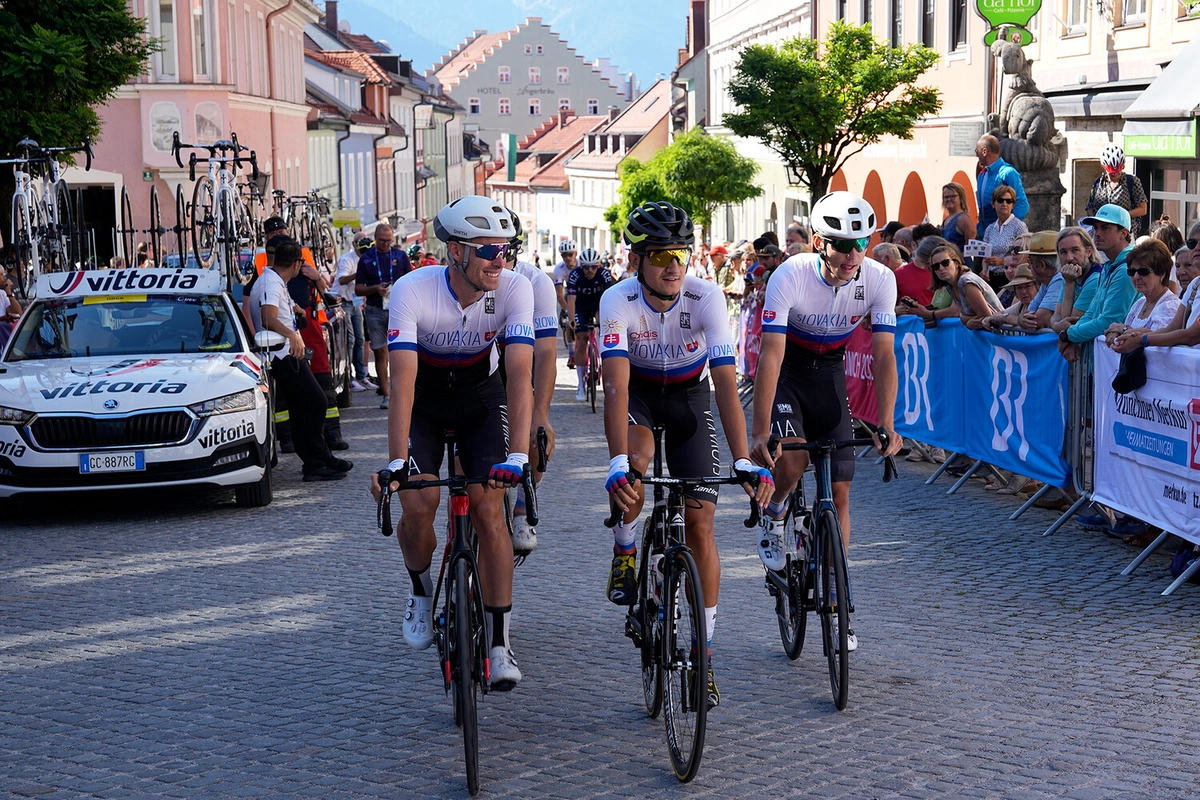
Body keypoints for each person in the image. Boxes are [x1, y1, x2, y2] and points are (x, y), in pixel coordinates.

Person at [601, 201, 772, 708]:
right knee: (636, 462)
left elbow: (724, 383)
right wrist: (614, 463)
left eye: (680, 252)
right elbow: (613, 387)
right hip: (636, 393)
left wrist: (741, 458)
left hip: (689, 396)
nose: (673, 264)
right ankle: (626, 547)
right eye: (659, 254)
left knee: (701, 523)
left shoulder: (706, 297)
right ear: (637, 260)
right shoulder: (618, 300)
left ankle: (704, 654)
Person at [373, 195, 534, 690]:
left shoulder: (514, 289)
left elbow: (519, 376)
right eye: (488, 251)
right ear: (456, 253)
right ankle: (421, 590)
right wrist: (397, 462)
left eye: (505, 250)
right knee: (420, 503)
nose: (499, 261)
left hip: (479, 399)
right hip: (423, 399)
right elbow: (401, 381)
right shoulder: (411, 290)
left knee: (489, 508)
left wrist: (520, 456)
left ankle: (501, 643)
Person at [749, 193, 903, 653]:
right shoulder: (789, 275)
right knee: (792, 462)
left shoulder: (878, 278)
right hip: (790, 374)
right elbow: (770, 354)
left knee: (839, 490)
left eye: (861, 243)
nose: (853, 253)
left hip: (830, 376)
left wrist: (887, 423)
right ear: (818, 242)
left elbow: (883, 354)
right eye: (841, 244)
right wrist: (760, 433)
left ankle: (837, 601)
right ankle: (774, 516)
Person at [249, 238, 352, 482]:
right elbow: (267, 316)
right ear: (296, 264)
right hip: (283, 355)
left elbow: (275, 309)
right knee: (316, 403)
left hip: (286, 353)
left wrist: (295, 310)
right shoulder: (271, 283)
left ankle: (317, 459)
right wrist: (292, 335)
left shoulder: (272, 280)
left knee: (301, 408)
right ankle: (317, 459)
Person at [502, 209, 558, 557]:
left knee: (537, 441)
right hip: (479, 372)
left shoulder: (536, 282)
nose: (498, 259)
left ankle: (523, 507)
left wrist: (541, 413)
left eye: (506, 251)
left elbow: (547, 354)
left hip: (523, 368)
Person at [1060, 204, 1138, 362]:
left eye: (1105, 228)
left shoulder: (1126, 268)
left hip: (1119, 361)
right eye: (1096, 228)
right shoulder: (1110, 266)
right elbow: (1092, 312)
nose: (1097, 233)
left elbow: (1108, 321)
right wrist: (1071, 336)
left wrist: (1068, 335)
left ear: (1123, 233)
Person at [355, 224, 411, 410]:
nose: (386, 244)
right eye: (382, 241)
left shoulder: (400, 256)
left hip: (399, 310)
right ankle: (386, 395)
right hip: (375, 309)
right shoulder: (366, 259)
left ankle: (403, 390)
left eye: (389, 241)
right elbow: (358, 288)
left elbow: (412, 280)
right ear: (375, 239)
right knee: (380, 351)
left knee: (402, 351)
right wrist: (376, 289)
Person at [1113, 239, 1200, 351]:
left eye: (1143, 271)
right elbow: (1169, 330)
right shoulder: (1139, 303)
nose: (1136, 277)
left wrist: (1129, 333)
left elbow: (1188, 336)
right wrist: (1117, 333)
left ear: (1161, 274)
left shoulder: (1169, 305)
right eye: (1131, 272)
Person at [566, 247, 617, 401]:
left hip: (598, 304)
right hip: (580, 307)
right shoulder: (575, 275)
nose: (589, 271)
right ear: (581, 266)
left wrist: (608, 320)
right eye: (586, 267)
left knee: (604, 328)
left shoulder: (604, 275)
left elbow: (609, 297)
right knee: (581, 340)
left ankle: (602, 362)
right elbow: (571, 300)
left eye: (593, 267)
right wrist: (570, 319)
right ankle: (581, 385)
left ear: (598, 266)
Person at [929, 243, 1003, 329]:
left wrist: (966, 321)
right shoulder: (950, 286)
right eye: (936, 266)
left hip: (1001, 334)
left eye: (945, 263)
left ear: (956, 263)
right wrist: (966, 320)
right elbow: (964, 318)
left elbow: (988, 319)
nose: (941, 268)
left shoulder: (966, 281)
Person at [335, 234, 372, 392]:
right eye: (359, 243)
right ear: (354, 244)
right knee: (349, 340)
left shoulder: (367, 258)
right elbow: (341, 280)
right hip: (343, 301)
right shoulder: (347, 259)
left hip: (356, 302)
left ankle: (361, 376)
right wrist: (360, 274)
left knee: (360, 338)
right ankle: (349, 378)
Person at [1050, 226, 1103, 335]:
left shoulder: (1095, 278)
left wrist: (1069, 284)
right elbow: (1056, 316)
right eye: (1063, 252)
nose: (1069, 258)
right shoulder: (1070, 276)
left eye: (1075, 250)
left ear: (1088, 251)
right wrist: (1056, 326)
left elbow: (1069, 322)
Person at [1085, 145, 1148, 237]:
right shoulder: (1098, 183)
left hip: (1124, 233)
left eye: (1117, 171)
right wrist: (1096, 220)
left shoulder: (1132, 182)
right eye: (1111, 172)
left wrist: (1119, 216)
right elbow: (1090, 206)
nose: (1114, 174)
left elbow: (1143, 209)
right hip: (1101, 233)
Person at [975, 134, 1029, 236]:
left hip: (1003, 235)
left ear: (984, 152)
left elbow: (1022, 204)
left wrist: (1007, 228)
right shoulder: (982, 175)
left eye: (976, 151)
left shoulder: (1008, 173)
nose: (976, 155)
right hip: (984, 233)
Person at [981, 185, 1029, 281]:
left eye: (1008, 201)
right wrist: (984, 270)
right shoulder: (990, 229)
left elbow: (1024, 256)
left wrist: (1002, 261)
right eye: (1000, 200)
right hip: (991, 278)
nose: (1004, 203)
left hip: (1010, 277)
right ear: (993, 203)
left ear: (1013, 205)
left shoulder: (1019, 226)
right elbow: (985, 256)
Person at [1020, 231, 1062, 330]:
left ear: (1041, 265)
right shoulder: (1047, 283)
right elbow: (1028, 314)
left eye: (1030, 262)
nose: (1029, 267)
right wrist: (1021, 319)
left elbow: (1036, 321)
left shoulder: (1059, 280)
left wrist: (1009, 319)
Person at [981, 264, 1041, 330]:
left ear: (1037, 287)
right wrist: (990, 318)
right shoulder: (1021, 305)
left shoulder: (1043, 304)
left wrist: (1005, 318)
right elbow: (1000, 313)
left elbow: (1029, 322)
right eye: (1019, 288)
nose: (1023, 292)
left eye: (1028, 286)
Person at [553, 239, 578, 365]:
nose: (567, 258)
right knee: (570, 322)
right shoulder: (559, 269)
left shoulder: (582, 264)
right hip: (570, 293)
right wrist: (568, 311)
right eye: (564, 255)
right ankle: (572, 354)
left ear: (576, 253)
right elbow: (559, 294)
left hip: (584, 291)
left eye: (570, 254)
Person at [941, 182, 975, 254]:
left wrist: (963, 255)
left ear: (961, 198)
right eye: (946, 197)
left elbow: (971, 239)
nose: (949, 199)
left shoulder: (962, 218)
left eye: (953, 196)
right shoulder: (946, 219)